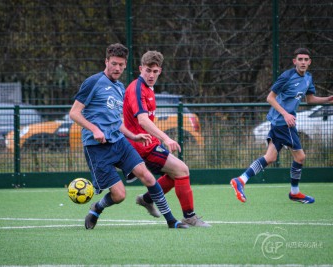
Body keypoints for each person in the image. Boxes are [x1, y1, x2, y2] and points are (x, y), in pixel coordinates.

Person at [69, 43, 188, 229]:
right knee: (119, 195)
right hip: (96, 147)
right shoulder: (93, 82)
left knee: (148, 177)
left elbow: (116, 121)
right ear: (106, 61)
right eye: (113, 63)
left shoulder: (119, 87)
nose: (117, 68)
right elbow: (74, 113)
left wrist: (133, 136)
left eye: (121, 65)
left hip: (119, 142)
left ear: (125, 65)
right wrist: (94, 129)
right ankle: (96, 209)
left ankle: (172, 221)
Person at [230, 48, 333, 204]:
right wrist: (285, 114)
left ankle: (241, 180)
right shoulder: (287, 76)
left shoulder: (308, 78)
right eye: (300, 59)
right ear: (295, 61)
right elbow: (270, 98)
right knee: (300, 156)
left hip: (281, 122)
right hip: (283, 122)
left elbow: (310, 99)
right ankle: (295, 192)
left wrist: (328, 99)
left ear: (310, 62)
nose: (303, 62)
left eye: (306, 59)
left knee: (270, 157)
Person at [123, 50, 211, 227]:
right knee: (182, 170)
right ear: (141, 69)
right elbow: (142, 120)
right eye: (148, 70)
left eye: (155, 71)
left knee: (175, 175)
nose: (151, 75)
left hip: (149, 143)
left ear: (160, 71)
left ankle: (147, 199)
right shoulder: (137, 89)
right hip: (142, 146)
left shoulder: (149, 88)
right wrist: (165, 138)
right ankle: (189, 216)